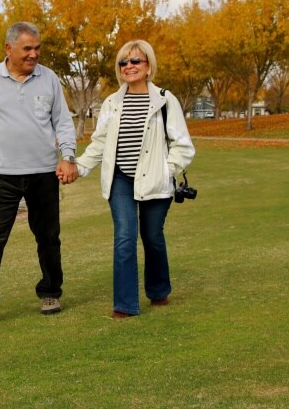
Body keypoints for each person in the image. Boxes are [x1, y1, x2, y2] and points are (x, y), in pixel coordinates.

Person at [0, 21, 78, 326]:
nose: (34, 54)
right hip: (2, 176)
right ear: (8, 49)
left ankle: (50, 292)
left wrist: (68, 156)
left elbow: (63, 122)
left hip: (43, 174)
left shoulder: (49, 79)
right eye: (27, 48)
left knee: (48, 238)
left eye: (37, 48)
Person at [68, 39, 195, 319]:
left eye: (135, 61)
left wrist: (166, 169)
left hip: (154, 181)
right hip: (120, 181)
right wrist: (78, 167)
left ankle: (158, 291)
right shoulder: (111, 103)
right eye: (123, 62)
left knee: (152, 237)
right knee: (125, 237)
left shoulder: (165, 99)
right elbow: (99, 143)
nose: (129, 66)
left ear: (148, 66)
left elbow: (184, 145)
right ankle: (125, 305)